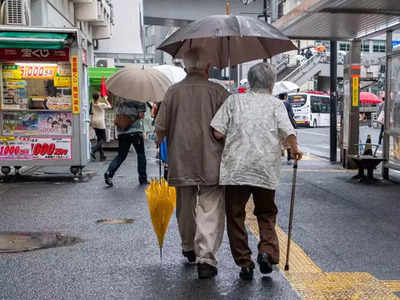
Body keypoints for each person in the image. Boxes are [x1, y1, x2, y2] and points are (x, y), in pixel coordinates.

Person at [211, 62, 302, 281]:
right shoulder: (276, 105)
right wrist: (295, 149)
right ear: (271, 84)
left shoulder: (234, 100)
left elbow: (217, 133)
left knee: (235, 215)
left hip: (236, 168)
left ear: (250, 82)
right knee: (266, 212)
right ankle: (267, 252)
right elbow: (288, 131)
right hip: (265, 168)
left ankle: (245, 262)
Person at [155, 47, 230, 279]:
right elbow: (229, 125)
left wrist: (159, 141)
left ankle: (188, 246)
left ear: (186, 66)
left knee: (185, 204)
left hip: (181, 157)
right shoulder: (219, 92)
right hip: (212, 159)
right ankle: (206, 256)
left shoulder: (173, 92)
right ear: (207, 67)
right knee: (210, 206)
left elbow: (160, 127)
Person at [104, 100, 148, 187]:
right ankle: (143, 179)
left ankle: (109, 172)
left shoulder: (121, 101)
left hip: (122, 132)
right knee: (140, 154)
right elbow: (141, 115)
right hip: (135, 132)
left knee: (121, 155)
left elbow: (118, 116)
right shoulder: (140, 100)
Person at [90, 92, 111, 161]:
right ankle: (93, 149)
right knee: (103, 139)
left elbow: (91, 112)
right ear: (98, 97)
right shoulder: (102, 104)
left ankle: (102, 156)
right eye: (100, 96)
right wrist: (106, 99)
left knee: (99, 139)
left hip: (94, 121)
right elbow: (110, 106)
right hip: (100, 122)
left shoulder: (92, 103)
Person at [279, 93, 297, 164]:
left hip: (278, 125)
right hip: (286, 125)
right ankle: (289, 158)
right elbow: (291, 114)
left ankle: (279, 157)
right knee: (289, 142)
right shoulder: (287, 103)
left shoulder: (276, 103)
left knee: (279, 142)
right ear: (285, 97)